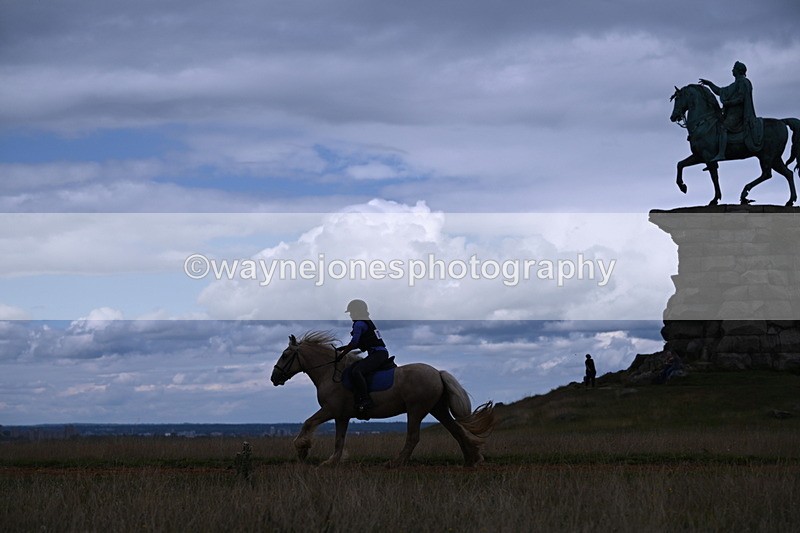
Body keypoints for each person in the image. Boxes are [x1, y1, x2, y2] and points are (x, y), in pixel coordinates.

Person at [699, 61, 763, 161]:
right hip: (732, 113)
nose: (732, 70)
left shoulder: (743, 82)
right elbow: (720, 91)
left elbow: (741, 98)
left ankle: (721, 154)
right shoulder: (736, 84)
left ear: (738, 71)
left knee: (723, 127)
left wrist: (728, 103)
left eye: (734, 68)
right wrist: (710, 84)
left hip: (739, 113)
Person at [336, 299, 390, 415]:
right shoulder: (366, 322)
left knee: (356, 371)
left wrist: (342, 355)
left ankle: (365, 400)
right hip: (380, 353)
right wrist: (342, 348)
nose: (350, 315)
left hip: (377, 354)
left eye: (351, 312)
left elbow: (354, 343)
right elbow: (361, 343)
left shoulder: (359, 324)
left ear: (357, 311)